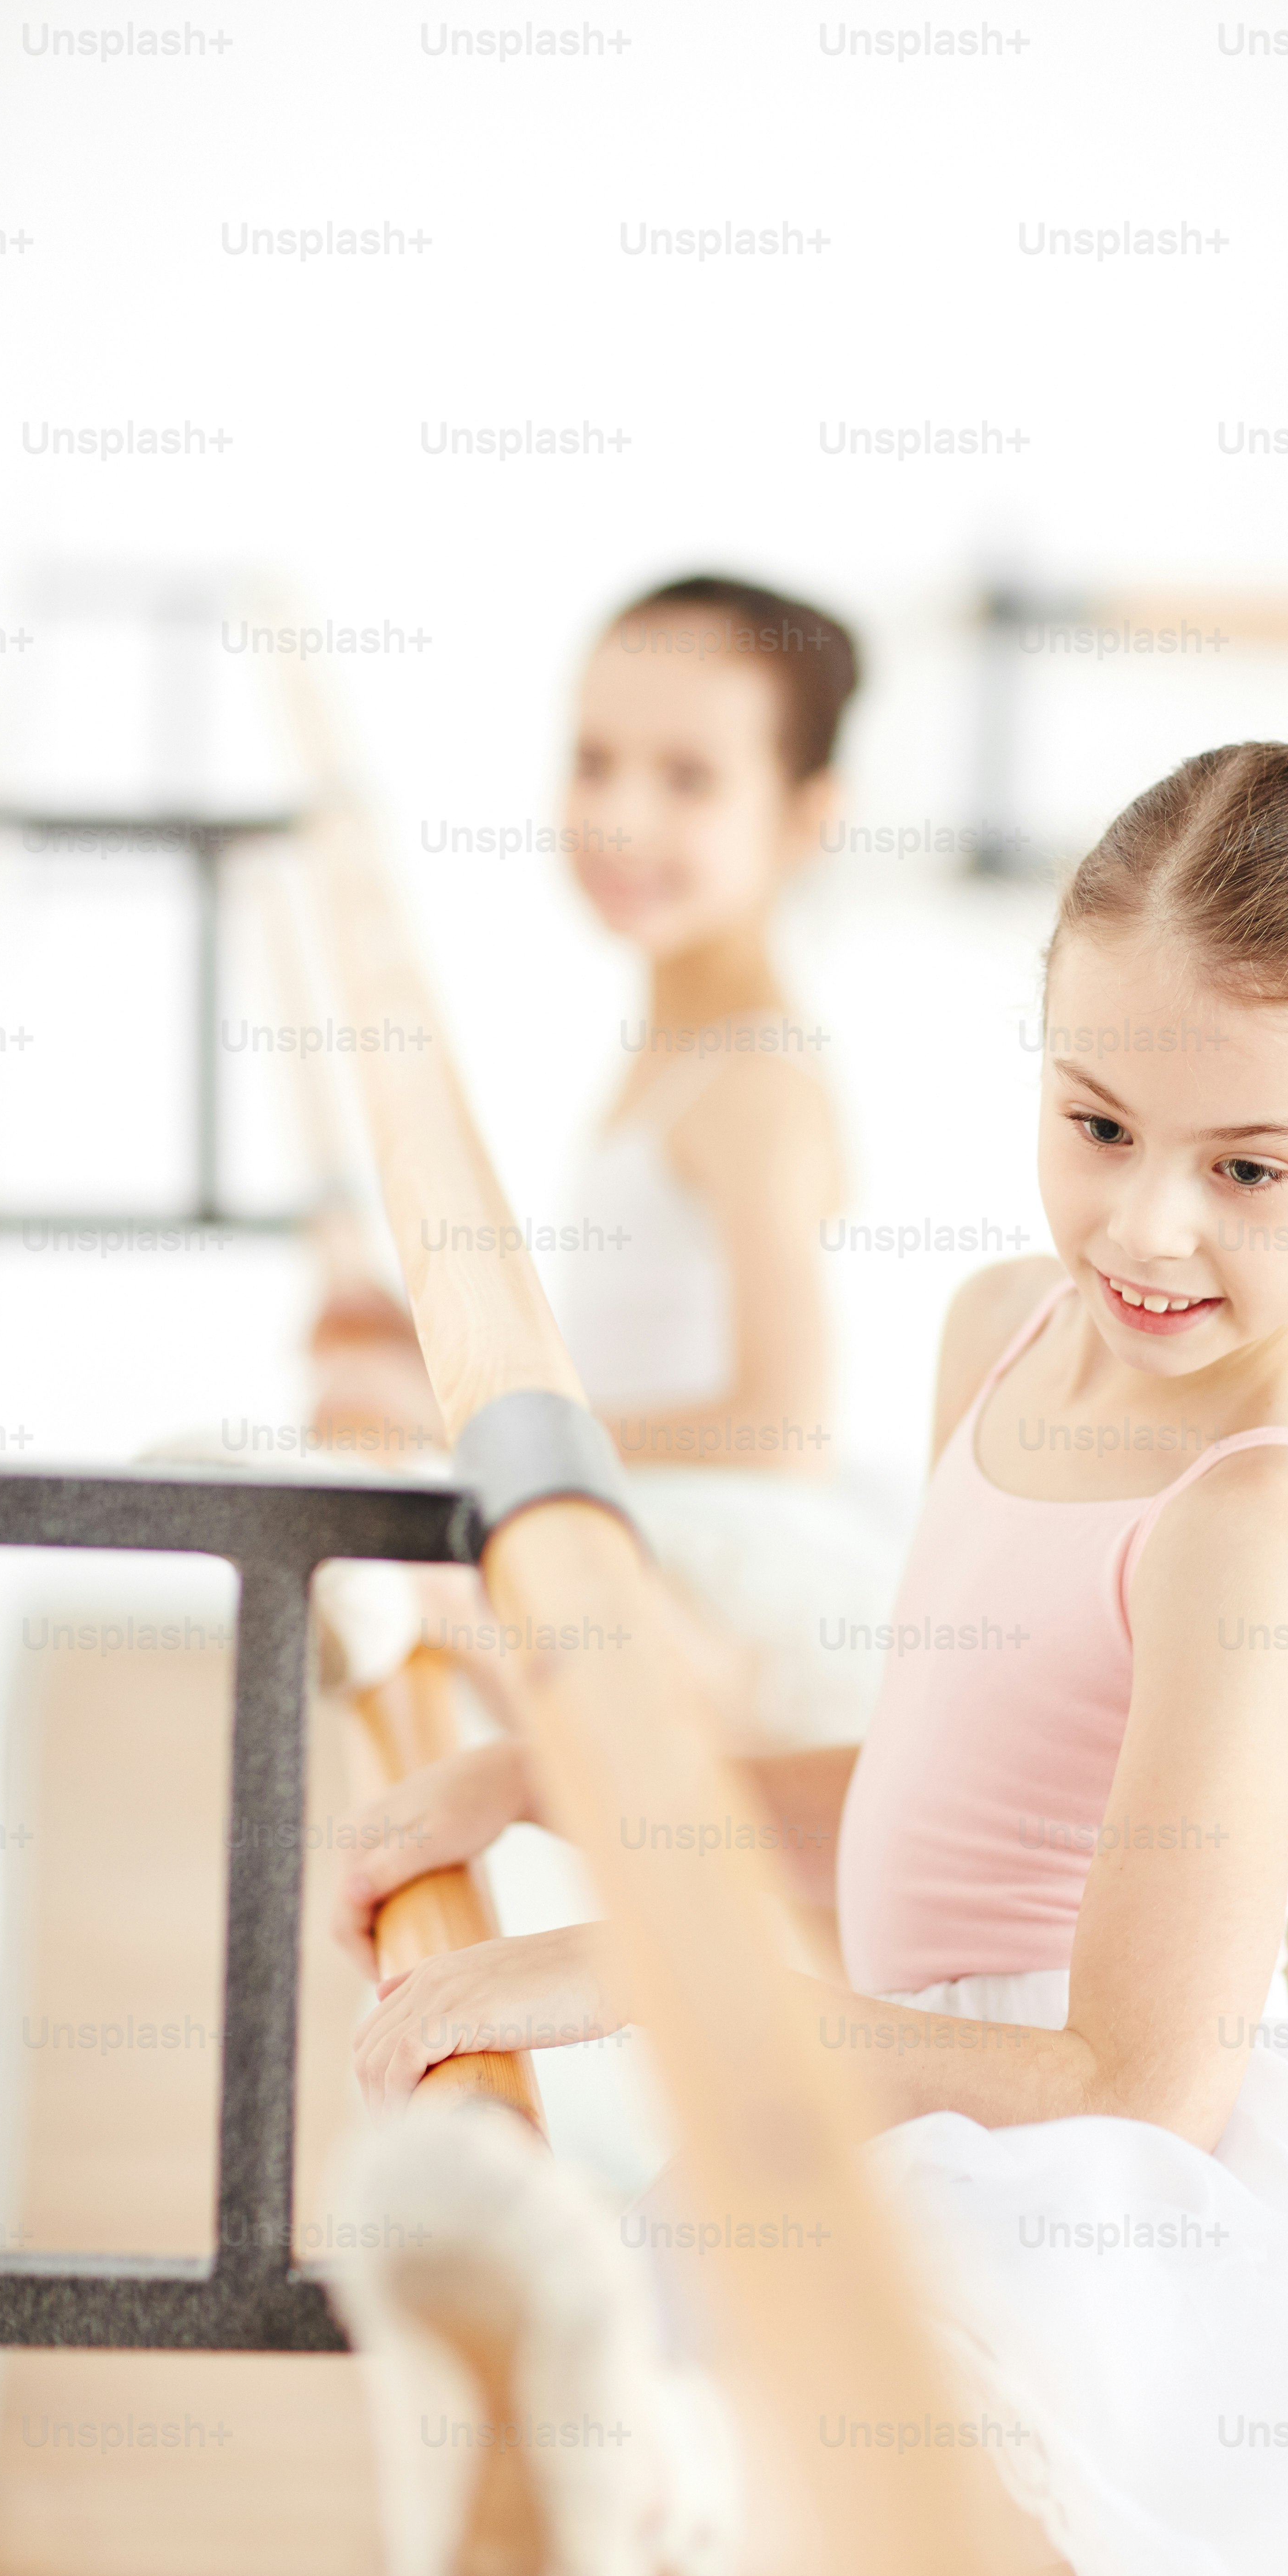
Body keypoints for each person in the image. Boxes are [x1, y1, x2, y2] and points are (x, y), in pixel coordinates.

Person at [336, 744, 1288, 2576]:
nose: (1146, 1224)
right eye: (1098, 1123)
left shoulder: (1256, 1529)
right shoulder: (1001, 1330)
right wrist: (567, 1795)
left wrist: (676, 1968)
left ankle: (643, 2491)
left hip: (1091, 2175)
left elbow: (1129, 2082)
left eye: (1248, 1171)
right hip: (913, 2065)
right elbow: (939, 1795)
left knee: (870, 2487)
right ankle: (632, 2485)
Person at [551, 572, 905, 1758]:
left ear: (807, 818)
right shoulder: (671, 1039)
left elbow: (784, 1425)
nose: (621, 817)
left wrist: (539, 1433)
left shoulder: (752, 1082)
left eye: (689, 779)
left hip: (725, 1567)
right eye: (595, 761)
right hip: (648, 1520)